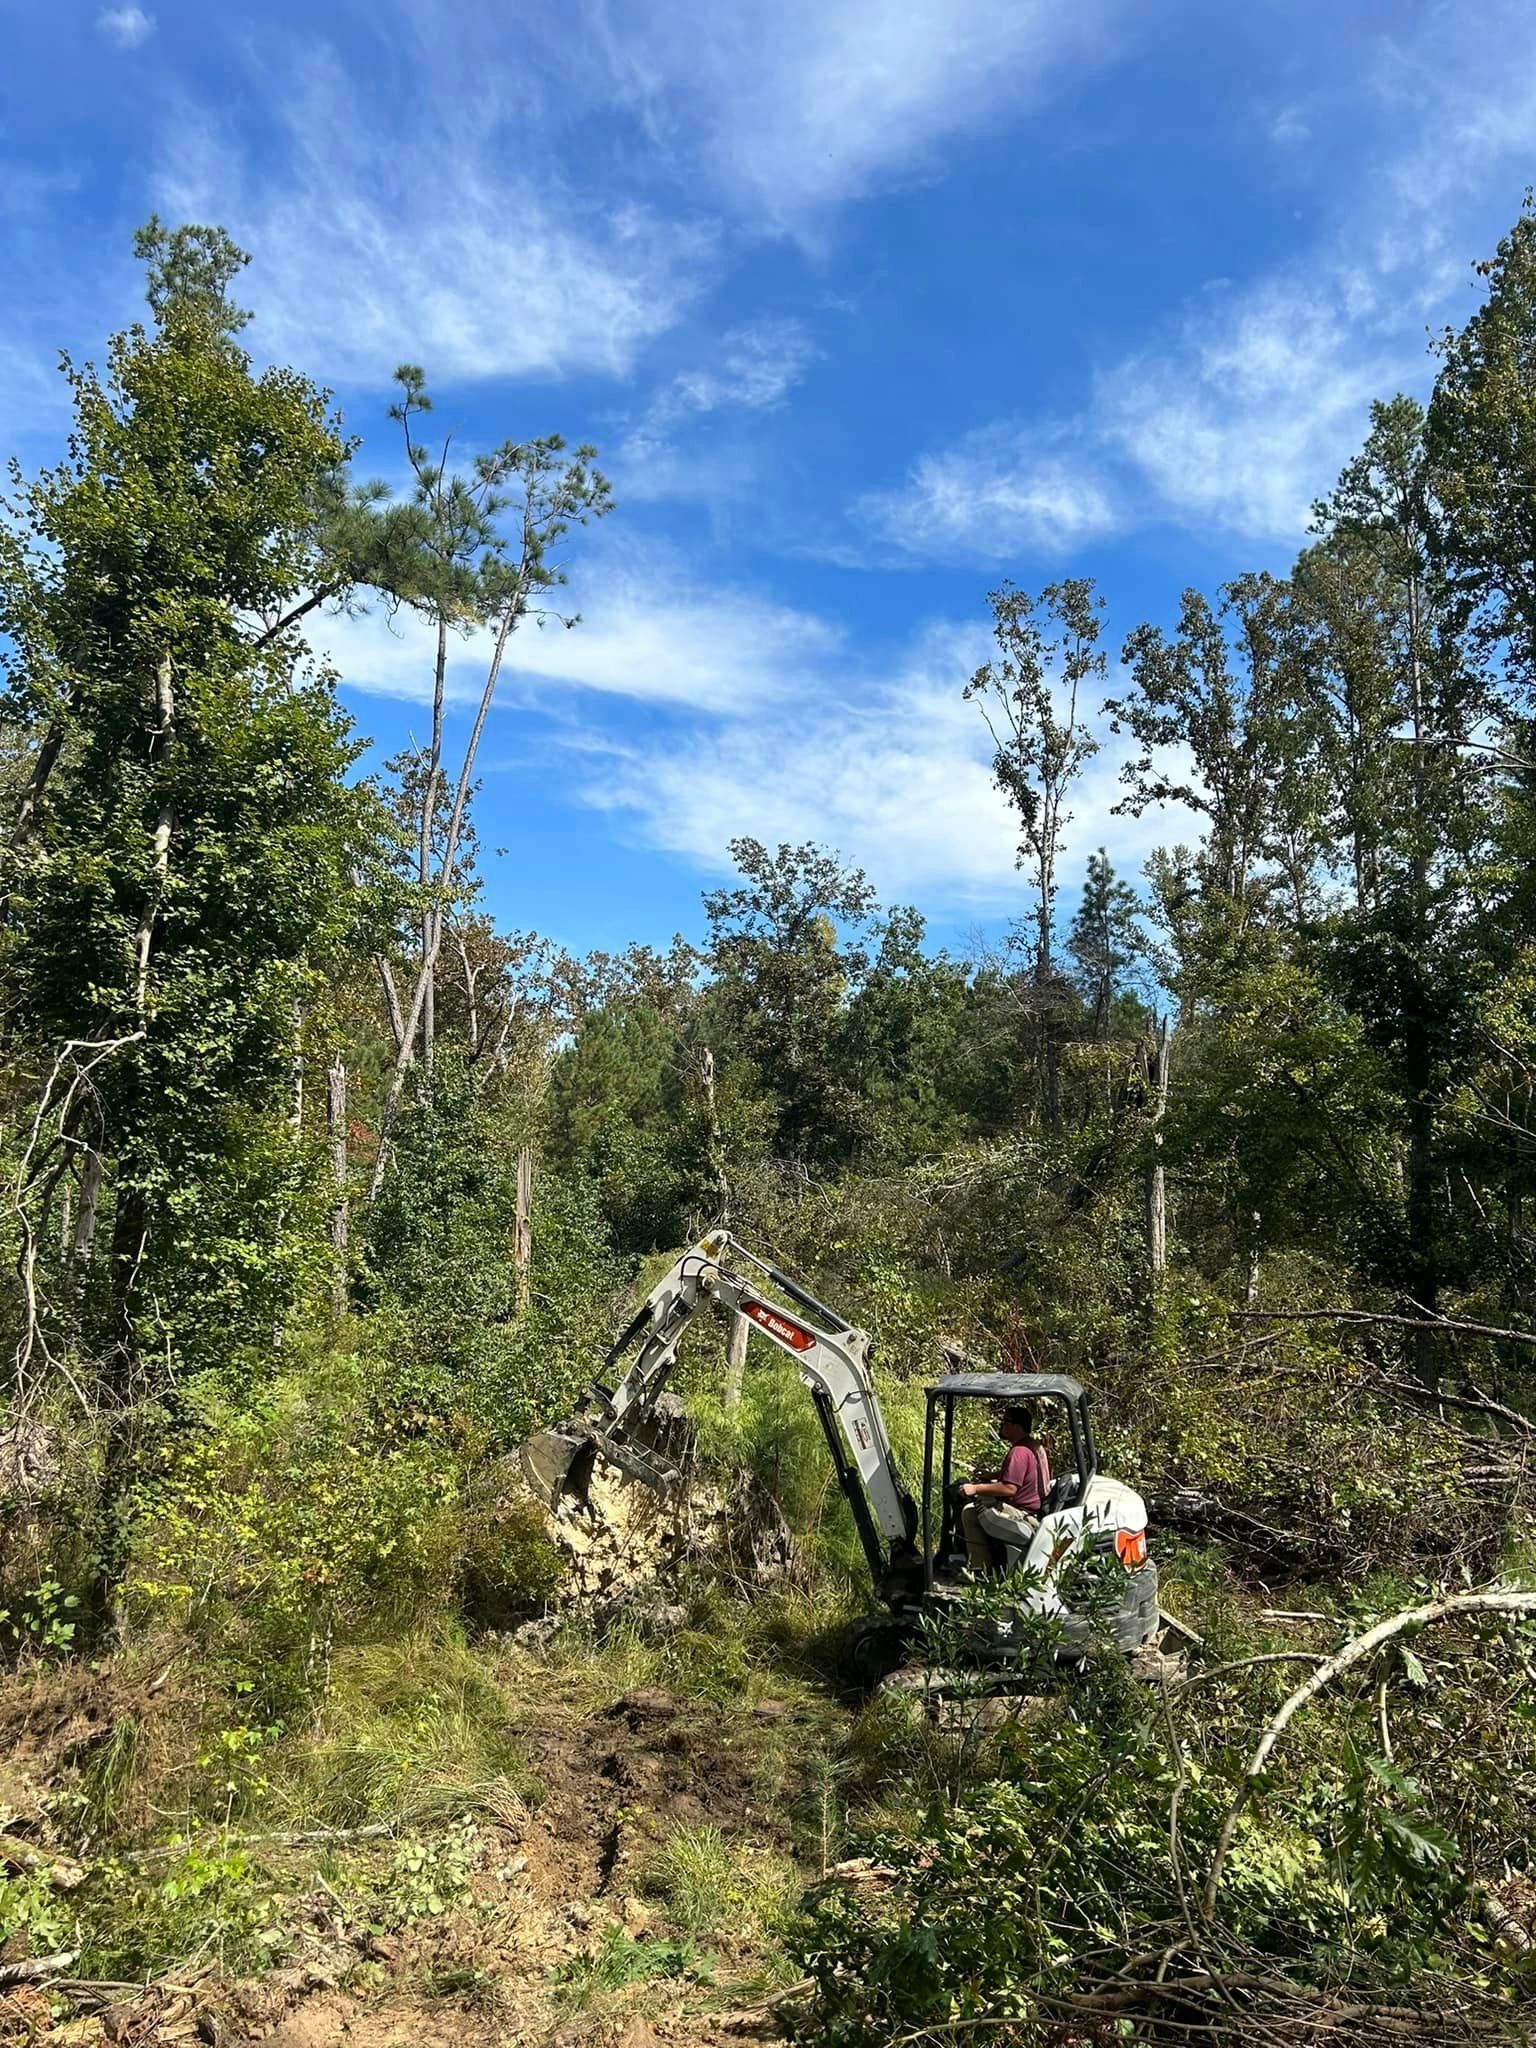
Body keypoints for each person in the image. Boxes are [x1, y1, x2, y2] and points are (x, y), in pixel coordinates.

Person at [958, 1403, 1050, 1574]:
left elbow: (1009, 1489)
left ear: (1017, 1427)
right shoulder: (1033, 1446)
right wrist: (992, 1475)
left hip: (1022, 1513)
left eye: (1005, 1422)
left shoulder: (1019, 1451)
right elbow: (1021, 1473)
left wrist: (975, 1488)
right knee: (981, 1503)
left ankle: (979, 1571)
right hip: (1034, 1510)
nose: (1001, 1425)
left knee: (969, 1512)